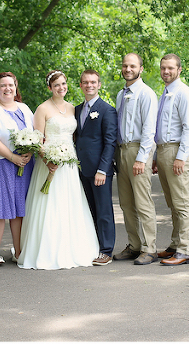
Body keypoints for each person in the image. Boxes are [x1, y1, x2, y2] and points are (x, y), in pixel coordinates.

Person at [18, 71, 100, 270]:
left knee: (69, 203)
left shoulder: (72, 108)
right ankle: (45, 250)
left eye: (63, 84)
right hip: (49, 163)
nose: (61, 88)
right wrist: (48, 161)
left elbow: (74, 137)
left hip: (69, 164)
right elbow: (38, 140)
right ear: (50, 88)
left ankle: (73, 249)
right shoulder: (42, 109)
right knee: (49, 204)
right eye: (56, 85)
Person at [0, 72, 34, 266]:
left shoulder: (25, 109)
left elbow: (34, 134)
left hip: (23, 165)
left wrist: (30, 153)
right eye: (3, 85)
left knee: (19, 210)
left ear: (16, 87)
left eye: (11, 85)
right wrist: (12, 157)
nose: (7, 88)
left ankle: (18, 252)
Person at [113, 53, 159, 265]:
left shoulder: (146, 94)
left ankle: (150, 248)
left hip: (139, 151)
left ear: (141, 69)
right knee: (126, 203)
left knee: (142, 201)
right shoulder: (120, 95)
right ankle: (134, 245)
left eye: (132, 66)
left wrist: (142, 158)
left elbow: (149, 130)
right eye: (125, 66)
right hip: (122, 151)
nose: (128, 69)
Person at [153, 54, 189, 266]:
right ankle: (175, 244)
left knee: (182, 203)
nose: (166, 72)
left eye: (170, 68)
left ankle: (185, 250)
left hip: (176, 152)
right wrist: (155, 155)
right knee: (172, 203)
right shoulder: (165, 93)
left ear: (179, 69)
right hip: (163, 151)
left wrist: (181, 157)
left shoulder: (184, 93)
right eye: (163, 68)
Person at [74, 69, 118, 266]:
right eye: (85, 82)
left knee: (104, 211)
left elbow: (110, 142)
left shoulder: (107, 110)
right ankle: (92, 246)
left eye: (93, 82)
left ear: (99, 85)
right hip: (80, 170)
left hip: (100, 171)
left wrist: (103, 169)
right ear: (81, 85)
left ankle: (106, 250)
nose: (89, 85)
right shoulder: (76, 110)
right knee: (88, 210)